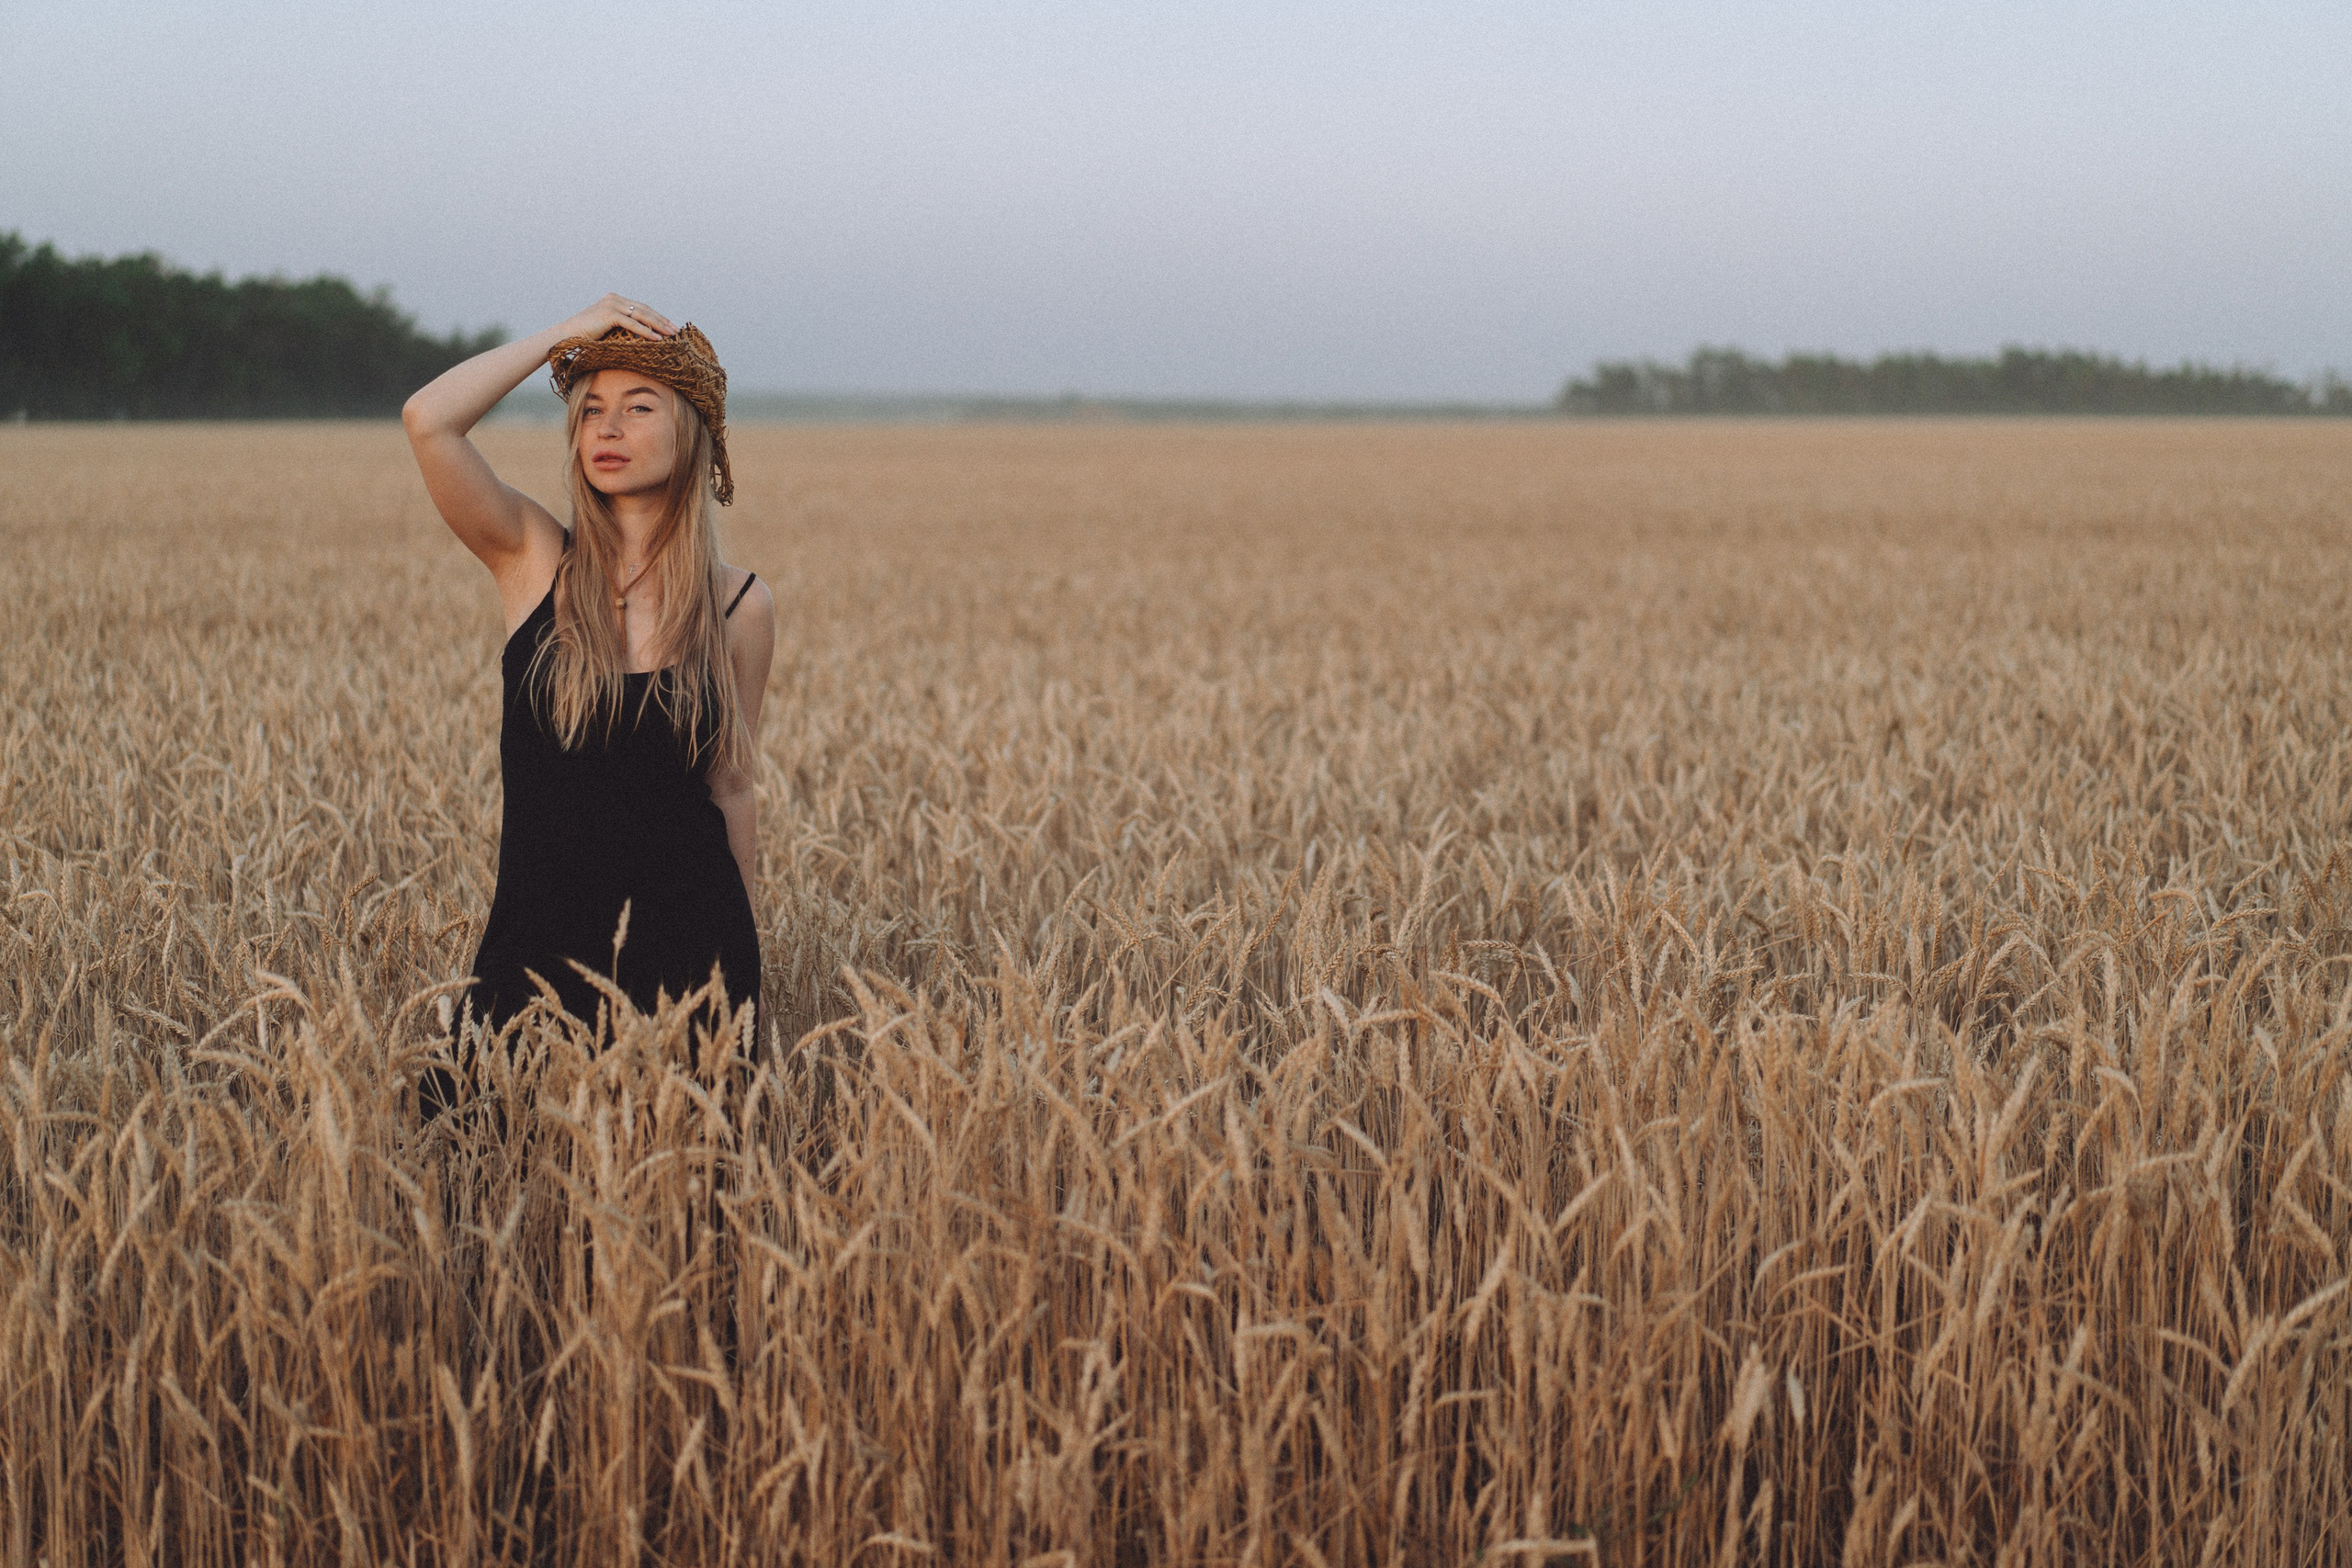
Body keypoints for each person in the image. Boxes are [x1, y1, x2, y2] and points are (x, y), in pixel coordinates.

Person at [402, 295, 775, 1059]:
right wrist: (564, 336)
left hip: (691, 971)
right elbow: (428, 419)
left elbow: (732, 786)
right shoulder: (534, 561)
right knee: (489, 1169)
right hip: (530, 965)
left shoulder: (739, 604)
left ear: (693, 432)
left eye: (640, 406)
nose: (607, 427)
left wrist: (748, 985)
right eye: (591, 407)